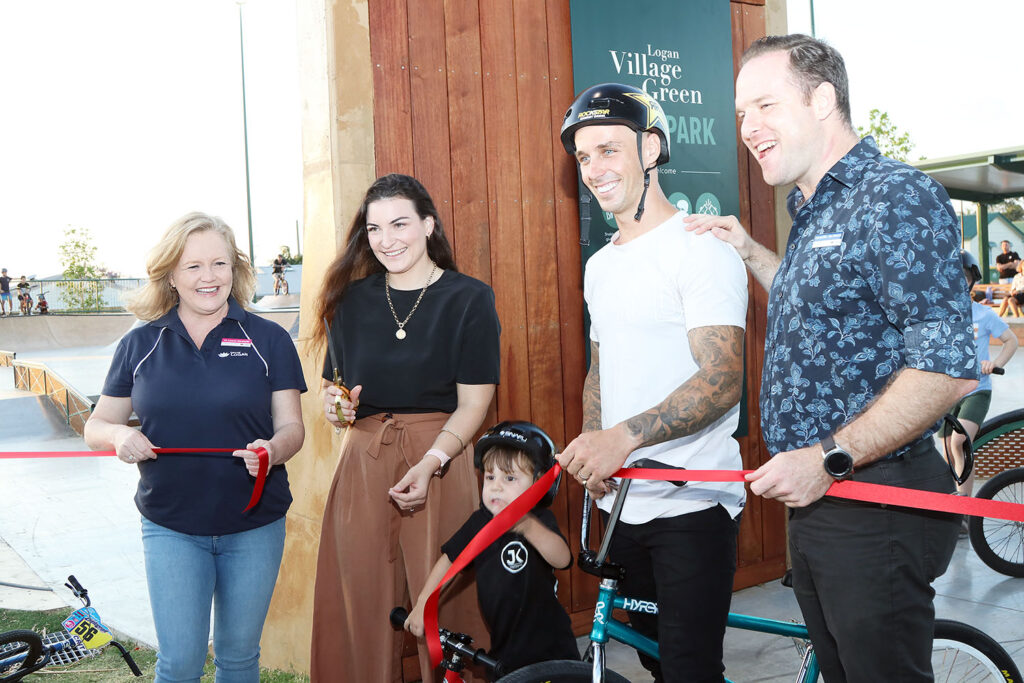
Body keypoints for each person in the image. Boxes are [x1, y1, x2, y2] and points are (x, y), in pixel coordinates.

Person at [685, 34, 976, 682]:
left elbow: (947, 365)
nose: (748, 127)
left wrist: (828, 457)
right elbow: (829, 307)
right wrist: (749, 249)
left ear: (822, 99)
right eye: (740, 113)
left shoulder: (894, 195)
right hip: (820, 501)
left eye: (764, 104)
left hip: (877, 498)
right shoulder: (813, 207)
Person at [556, 83, 748, 682]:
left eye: (609, 150)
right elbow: (601, 368)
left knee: (691, 671)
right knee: (652, 660)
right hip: (621, 508)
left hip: (691, 505)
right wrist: (594, 447)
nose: (594, 169)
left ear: (651, 149)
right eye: (583, 157)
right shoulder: (601, 263)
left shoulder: (700, 250)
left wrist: (624, 438)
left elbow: (722, 380)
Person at [83, 211, 306, 683]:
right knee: (180, 663)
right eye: (194, 266)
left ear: (235, 269)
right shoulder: (140, 343)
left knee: (239, 657)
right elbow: (96, 425)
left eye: (219, 264)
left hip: (255, 525)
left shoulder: (269, 339)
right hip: (171, 526)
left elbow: (293, 429)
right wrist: (120, 435)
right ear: (170, 275)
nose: (209, 277)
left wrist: (272, 451)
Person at [309, 173, 500, 682]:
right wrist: (337, 409)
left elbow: (474, 405)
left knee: (447, 602)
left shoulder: (470, 299)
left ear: (428, 225)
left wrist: (431, 461)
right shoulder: (349, 302)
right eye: (374, 229)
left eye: (399, 224)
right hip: (364, 463)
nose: (387, 239)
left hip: (440, 459)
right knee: (360, 598)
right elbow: (335, 393)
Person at [404, 421, 579, 674]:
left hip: (551, 645)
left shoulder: (538, 519)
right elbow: (449, 560)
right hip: (505, 645)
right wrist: (423, 604)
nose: (496, 485)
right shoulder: (480, 522)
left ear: (538, 482)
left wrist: (528, 528)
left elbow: (562, 559)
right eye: (490, 476)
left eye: (510, 478)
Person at [943, 251, 1018, 500]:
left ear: (972, 279)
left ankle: (964, 506)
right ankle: (957, 501)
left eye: (963, 276)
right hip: (947, 391)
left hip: (977, 389)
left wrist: (994, 363)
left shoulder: (984, 314)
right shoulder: (941, 315)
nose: (958, 281)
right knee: (947, 451)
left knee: (959, 443)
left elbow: (1011, 340)